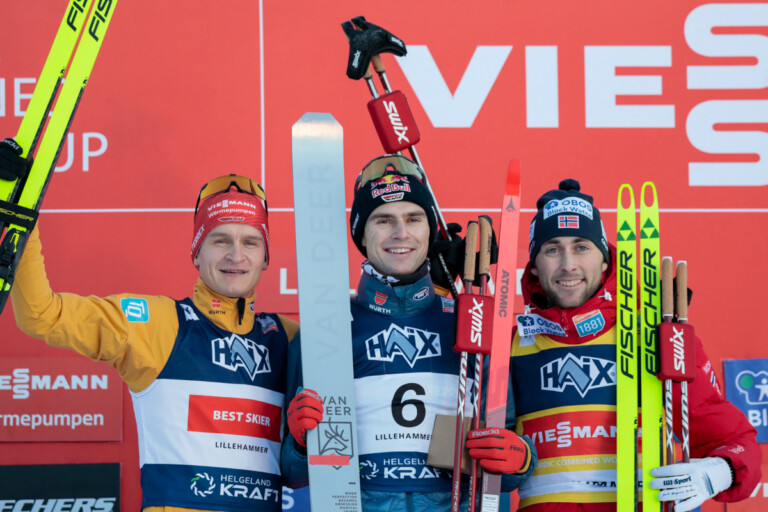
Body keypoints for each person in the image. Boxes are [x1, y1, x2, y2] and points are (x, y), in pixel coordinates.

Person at [1, 139, 300, 512]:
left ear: (266, 256)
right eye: (220, 239)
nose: (236, 255)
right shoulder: (156, 323)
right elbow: (41, 315)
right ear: (197, 250)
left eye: (251, 242)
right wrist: (20, 212)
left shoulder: (289, 339)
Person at [280, 154, 536, 512]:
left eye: (413, 219)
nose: (401, 233)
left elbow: (503, 471)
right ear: (361, 235)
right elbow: (292, 474)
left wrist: (520, 458)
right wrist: (300, 442)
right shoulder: (327, 329)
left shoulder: (471, 322)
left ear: (429, 230)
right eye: (383, 220)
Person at [508, 178, 761, 511]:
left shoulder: (657, 337)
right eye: (552, 249)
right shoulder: (511, 347)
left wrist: (720, 471)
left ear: (605, 261)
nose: (568, 264)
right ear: (535, 267)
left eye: (582, 247)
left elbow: (735, 442)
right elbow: (484, 463)